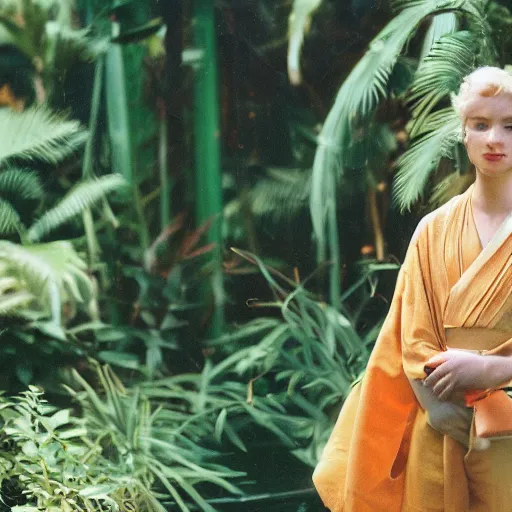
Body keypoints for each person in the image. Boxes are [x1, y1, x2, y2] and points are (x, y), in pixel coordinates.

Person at [312, 66, 512, 512]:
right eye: (480, 125)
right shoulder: (432, 229)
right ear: (463, 133)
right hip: (439, 425)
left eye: (510, 125)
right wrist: (435, 406)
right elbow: (410, 336)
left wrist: (490, 371)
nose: (494, 139)